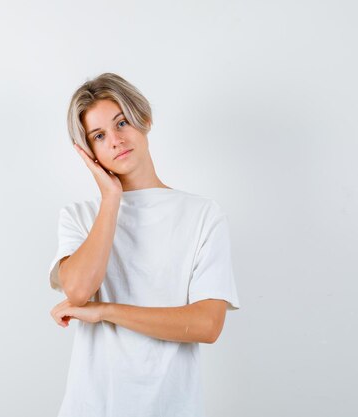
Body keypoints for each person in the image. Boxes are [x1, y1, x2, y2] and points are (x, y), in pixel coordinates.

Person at [48, 73, 241, 417]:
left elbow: (206, 325)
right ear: (89, 152)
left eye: (122, 122)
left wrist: (105, 311)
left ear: (144, 119)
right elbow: (78, 291)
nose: (116, 140)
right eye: (99, 135)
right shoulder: (78, 216)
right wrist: (111, 198)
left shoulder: (202, 215)